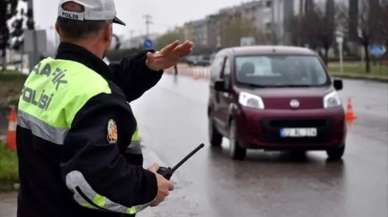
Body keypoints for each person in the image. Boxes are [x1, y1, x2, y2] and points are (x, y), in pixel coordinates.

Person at [15, 0, 193, 217]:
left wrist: (147, 66)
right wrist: (149, 187)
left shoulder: (42, 74)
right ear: (108, 32)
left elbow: (99, 82)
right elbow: (96, 178)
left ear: (58, 28)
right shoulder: (96, 95)